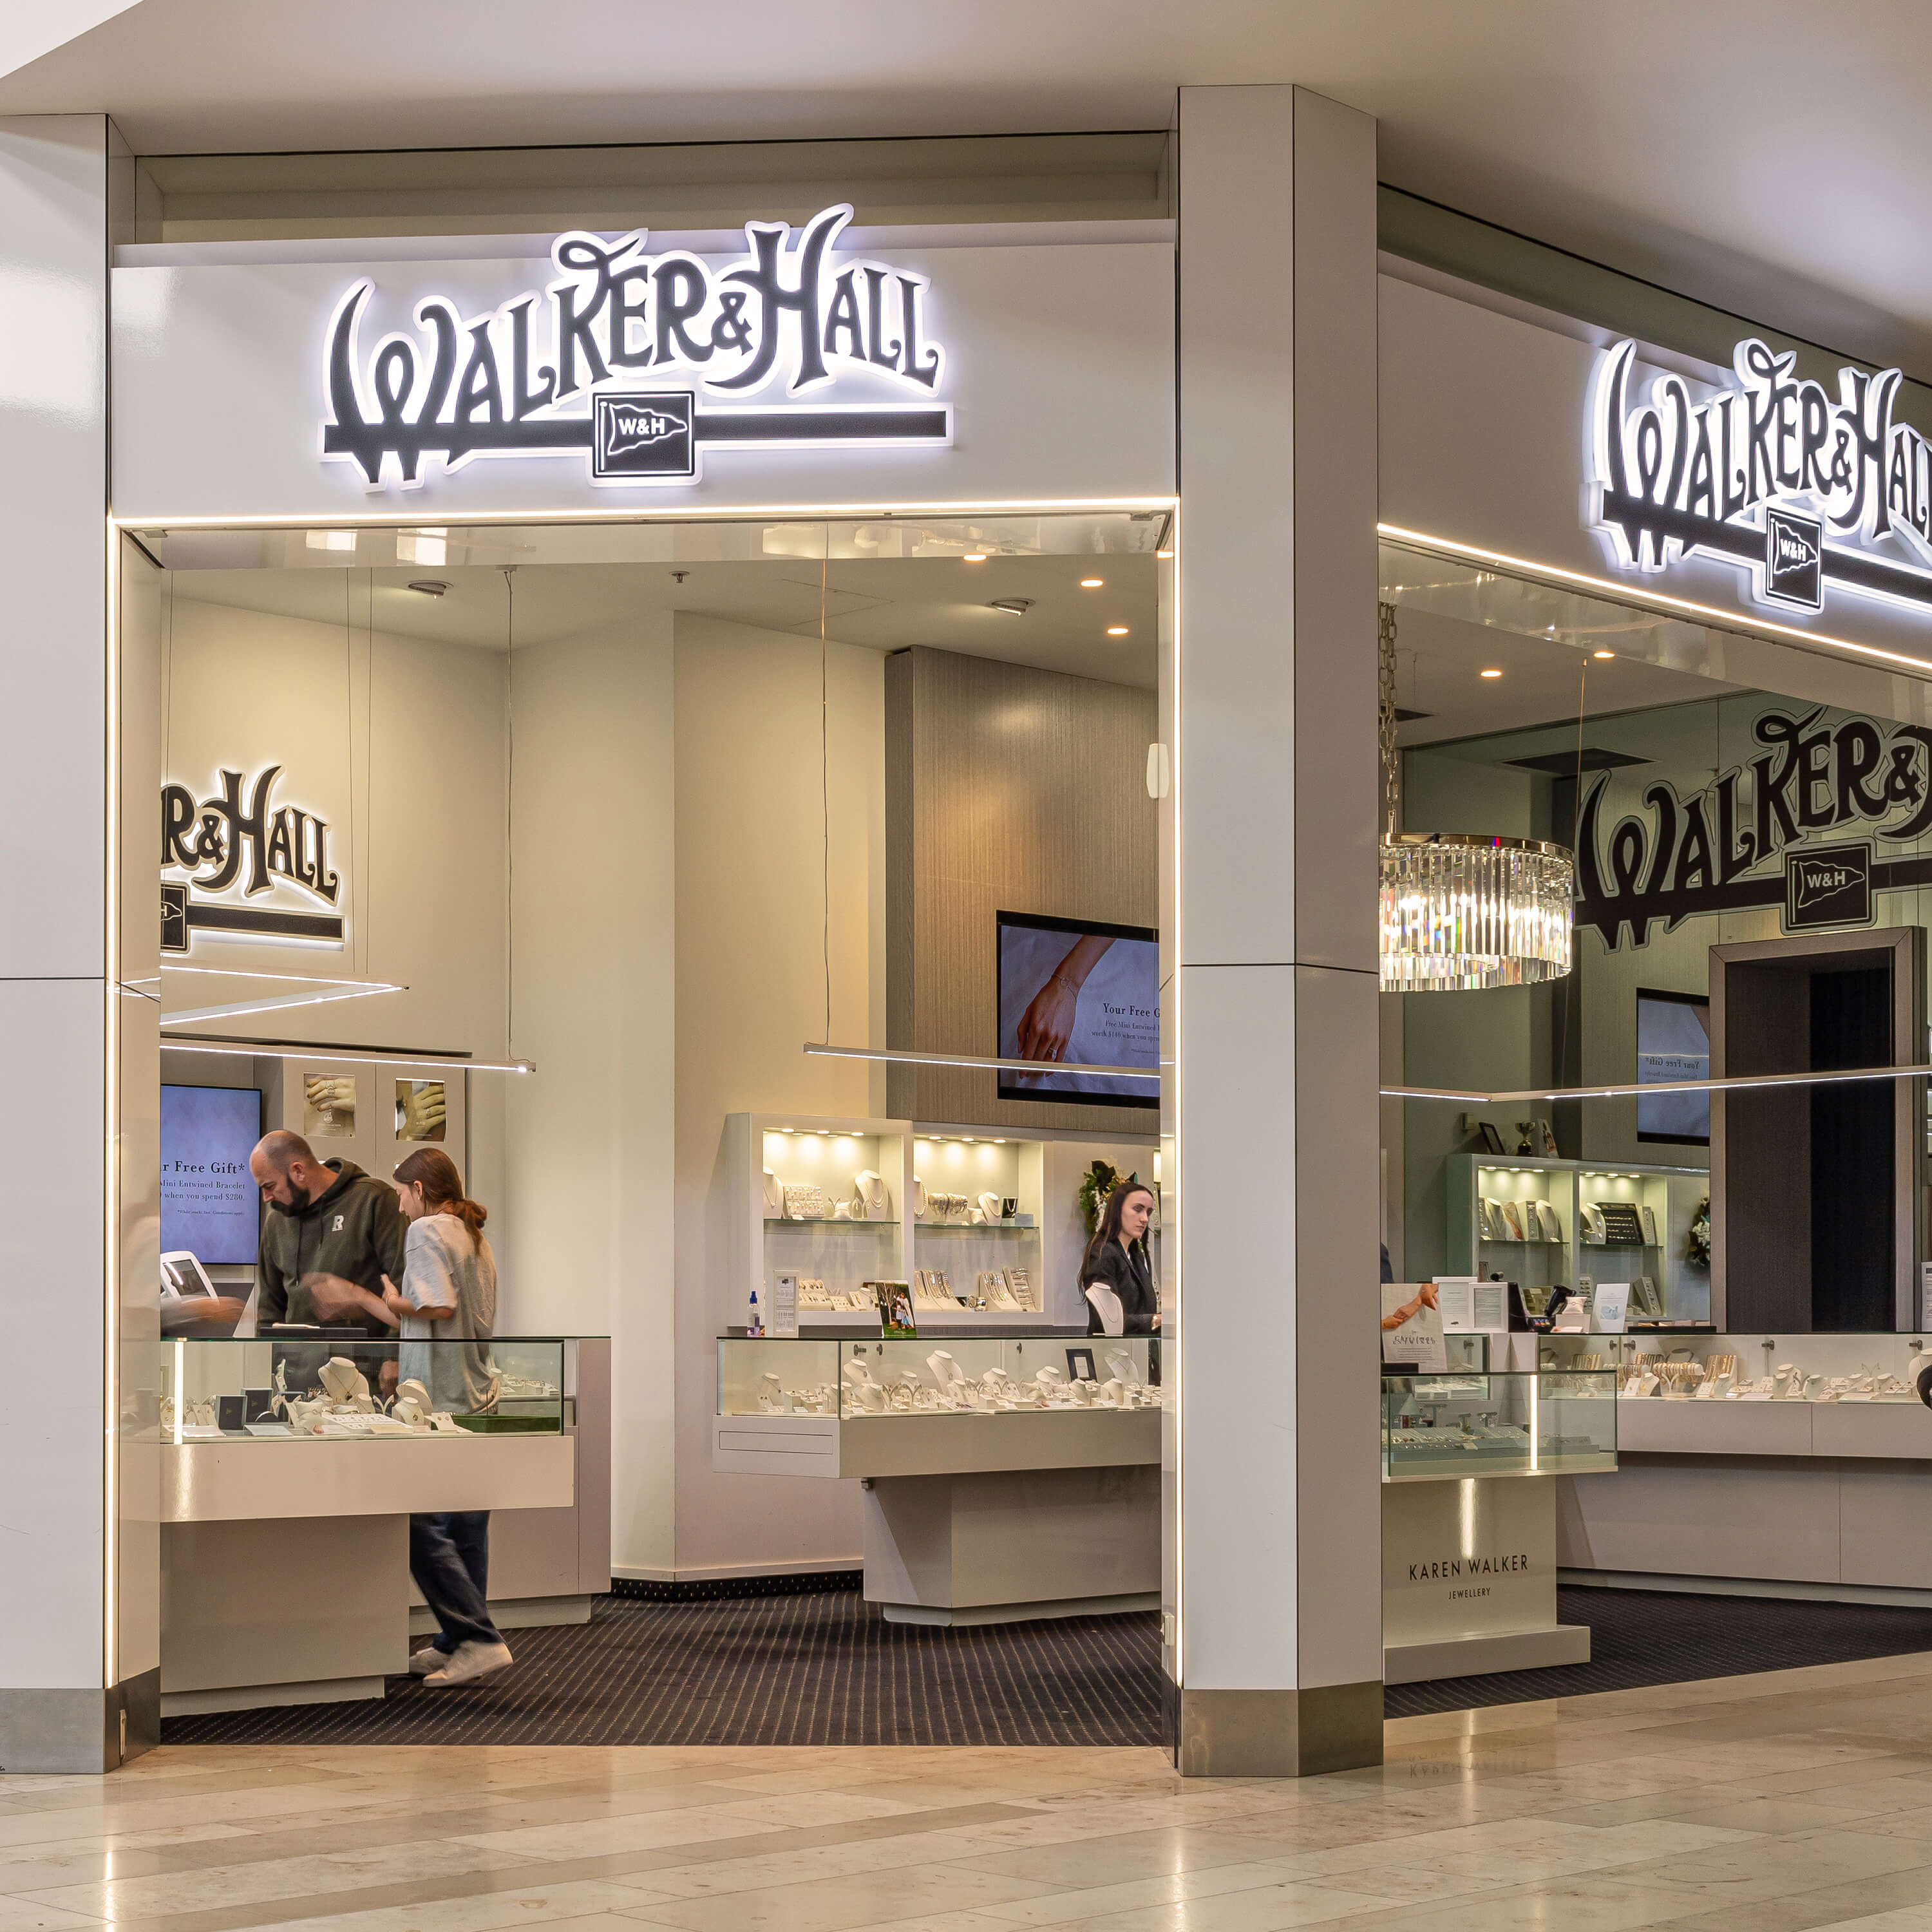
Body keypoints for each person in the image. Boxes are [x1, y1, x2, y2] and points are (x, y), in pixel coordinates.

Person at [388, 1148, 509, 1688]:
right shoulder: (473, 1235)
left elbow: (437, 1306)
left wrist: (390, 1301)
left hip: (439, 1402)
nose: (399, 1208)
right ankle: (456, 1641)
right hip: (478, 1396)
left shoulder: (427, 1230)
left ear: (419, 1189)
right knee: (466, 1530)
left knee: (420, 1526)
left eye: (401, 1195)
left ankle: (477, 1638)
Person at [249, 1129, 407, 1331]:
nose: (266, 1198)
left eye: (270, 1186)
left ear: (298, 1171)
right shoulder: (276, 1222)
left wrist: (391, 1352)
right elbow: (269, 1310)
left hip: (367, 1351)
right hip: (296, 1352)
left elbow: (403, 1291)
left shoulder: (374, 1200)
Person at [1079, 1180, 1159, 1336]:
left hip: (1137, 1347)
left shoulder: (1136, 1256)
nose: (1145, 1219)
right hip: (1111, 1348)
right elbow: (1105, 1319)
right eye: (1138, 1209)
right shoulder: (1103, 1252)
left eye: (1148, 1212)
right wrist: (1155, 1320)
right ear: (1117, 1210)